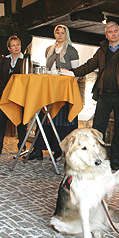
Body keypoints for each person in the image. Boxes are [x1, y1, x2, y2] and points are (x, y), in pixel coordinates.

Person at [70, 21, 119, 171]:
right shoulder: (101, 51)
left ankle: (115, 159)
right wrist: (72, 72)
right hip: (104, 95)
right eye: (110, 32)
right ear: (106, 35)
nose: (113, 34)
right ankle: (96, 158)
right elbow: (89, 65)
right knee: (97, 129)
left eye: (116, 31)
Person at [28, 25, 80, 161]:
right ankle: (38, 150)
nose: (60, 35)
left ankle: (58, 150)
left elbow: (77, 73)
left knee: (60, 121)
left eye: (62, 33)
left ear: (66, 34)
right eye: (58, 32)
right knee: (44, 119)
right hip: (49, 90)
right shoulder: (49, 50)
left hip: (64, 91)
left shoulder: (72, 51)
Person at [0, 36, 28, 155]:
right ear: (9, 48)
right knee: (0, 120)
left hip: (19, 95)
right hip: (5, 94)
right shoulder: (4, 60)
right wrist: (5, 89)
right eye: (13, 45)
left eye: (18, 45)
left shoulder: (25, 60)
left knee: (21, 121)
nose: (16, 47)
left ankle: (22, 147)